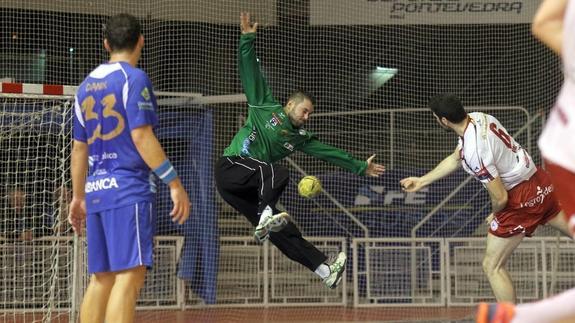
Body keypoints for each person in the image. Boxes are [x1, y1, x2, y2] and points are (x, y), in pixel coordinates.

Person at [214, 12, 385, 289]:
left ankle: (323, 269)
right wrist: (247, 39)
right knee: (277, 172)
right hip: (231, 168)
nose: (307, 117)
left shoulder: (300, 138)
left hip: (249, 187)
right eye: (305, 111)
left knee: (284, 231)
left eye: (310, 114)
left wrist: (359, 166)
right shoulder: (264, 105)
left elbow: (328, 152)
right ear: (290, 104)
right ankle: (266, 214)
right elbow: (250, 72)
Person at [68, 13, 190, 323]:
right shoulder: (133, 79)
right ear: (141, 41)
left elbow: (79, 148)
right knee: (128, 278)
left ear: (105, 43)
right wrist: (174, 183)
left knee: (102, 279)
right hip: (127, 191)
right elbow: (140, 135)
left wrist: (78, 196)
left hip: (96, 191)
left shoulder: (84, 87)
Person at [399, 93, 572, 304]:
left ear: (443, 120)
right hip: (540, 181)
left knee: (492, 266)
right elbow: (455, 158)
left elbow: (500, 196)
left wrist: (496, 214)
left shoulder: (475, 151)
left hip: (520, 198)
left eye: (435, 117)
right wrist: (422, 181)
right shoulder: (478, 118)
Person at [476, 1, 575, 322]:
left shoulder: (479, 126)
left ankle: (518, 318)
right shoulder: (478, 129)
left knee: (491, 265)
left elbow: (544, 23)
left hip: (555, 161)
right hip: (551, 170)